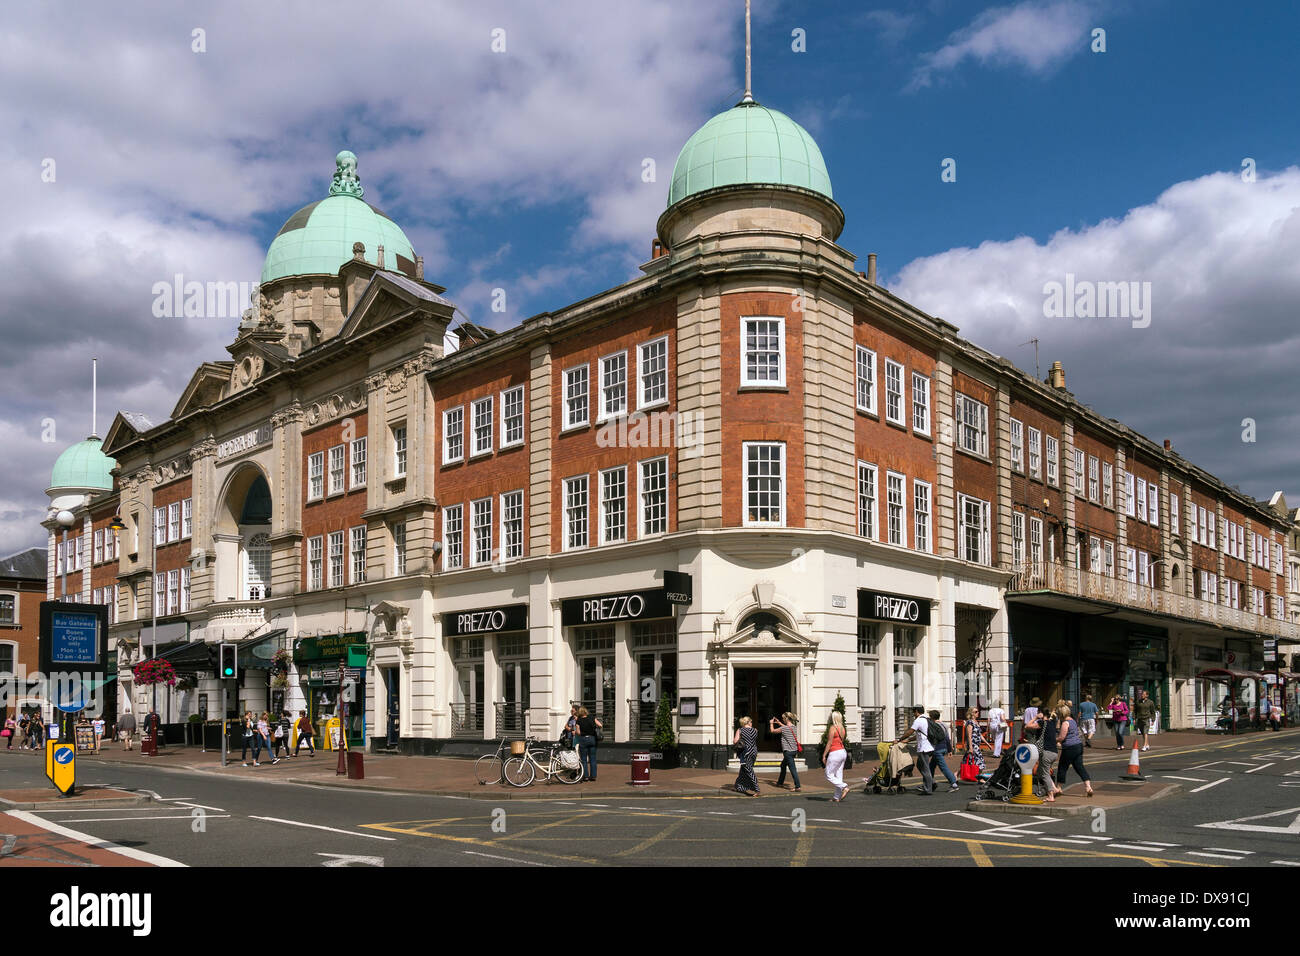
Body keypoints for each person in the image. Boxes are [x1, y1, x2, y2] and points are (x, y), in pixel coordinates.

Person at [1025, 704, 1062, 802]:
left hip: (1046, 752)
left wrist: (1035, 718)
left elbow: (1027, 726)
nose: (1037, 714)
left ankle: (1051, 795)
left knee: (1044, 774)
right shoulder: (1052, 723)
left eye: (1038, 713)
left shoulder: (1041, 723)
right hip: (1054, 752)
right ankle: (1054, 788)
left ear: (1041, 713)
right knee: (1042, 771)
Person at [1055, 704, 1094, 797]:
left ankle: (1059, 788)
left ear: (1061, 714)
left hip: (1070, 748)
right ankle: (1088, 787)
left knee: (1062, 767)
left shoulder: (1065, 723)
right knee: (1079, 767)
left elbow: (1062, 737)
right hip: (1078, 746)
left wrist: (1054, 740)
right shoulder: (1073, 721)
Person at [898, 705, 935, 795]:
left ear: (917, 712)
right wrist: (909, 740)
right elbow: (920, 734)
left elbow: (910, 731)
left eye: (914, 712)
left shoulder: (918, 720)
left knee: (925, 768)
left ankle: (928, 788)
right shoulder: (927, 719)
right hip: (930, 746)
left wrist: (900, 739)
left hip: (924, 748)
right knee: (920, 765)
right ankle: (931, 782)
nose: (913, 714)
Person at [927, 709, 960, 793]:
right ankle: (930, 783)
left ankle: (953, 784)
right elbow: (947, 738)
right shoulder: (943, 724)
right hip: (944, 748)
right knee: (931, 766)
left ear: (931, 717)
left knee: (943, 767)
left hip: (937, 749)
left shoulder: (933, 725)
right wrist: (949, 750)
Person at [769, 712, 801, 792]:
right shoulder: (794, 727)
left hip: (788, 752)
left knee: (792, 769)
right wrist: (780, 723)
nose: (783, 720)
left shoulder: (784, 729)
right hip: (794, 751)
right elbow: (787, 728)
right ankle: (780, 782)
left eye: (783, 718)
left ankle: (798, 786)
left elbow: (772, 731)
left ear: (786, 719)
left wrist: (771, 723)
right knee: (783, 765)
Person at [822, 711, 849, 801]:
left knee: (828, 774)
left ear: (833, 718)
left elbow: (829, 743)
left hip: (835, 752)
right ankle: (836, 797)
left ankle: (844, 786)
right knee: (838, 774)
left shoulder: (833, 728)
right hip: (843, 752)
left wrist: (824, 755)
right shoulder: (842, 728)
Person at [733, 716, 759, 796]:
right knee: (744, 769)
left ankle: (756, 789)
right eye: (751, 722)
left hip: (746, 752)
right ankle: (739, 786)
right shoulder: (755, 730)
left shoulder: (740, 730)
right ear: (748, 722)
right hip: (754, 752)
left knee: (748, 769)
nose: (751, 723)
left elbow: (735, 741)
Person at [575, 706, 602, 783]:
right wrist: (594, 728)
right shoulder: (591, 717)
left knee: (584, 759)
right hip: (592, 739)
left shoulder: (578, 720)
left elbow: (578, 732)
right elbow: (600, 725)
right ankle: (593, 776)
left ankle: (585, 776)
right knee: (592, 758)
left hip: (583, 739)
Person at [962, 707, 986, 775]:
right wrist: (970, 747)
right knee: (980, 760)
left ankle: (956, 774)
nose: (978, 713)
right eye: (976, 712)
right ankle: (980, 777)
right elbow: (969, 735)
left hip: (977, 745)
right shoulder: (969, 722)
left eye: (978, 711)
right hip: (973, 744)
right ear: (971, 713)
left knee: (968, 761)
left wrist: (987, 744)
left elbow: (979, 735)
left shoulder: (976, 722)